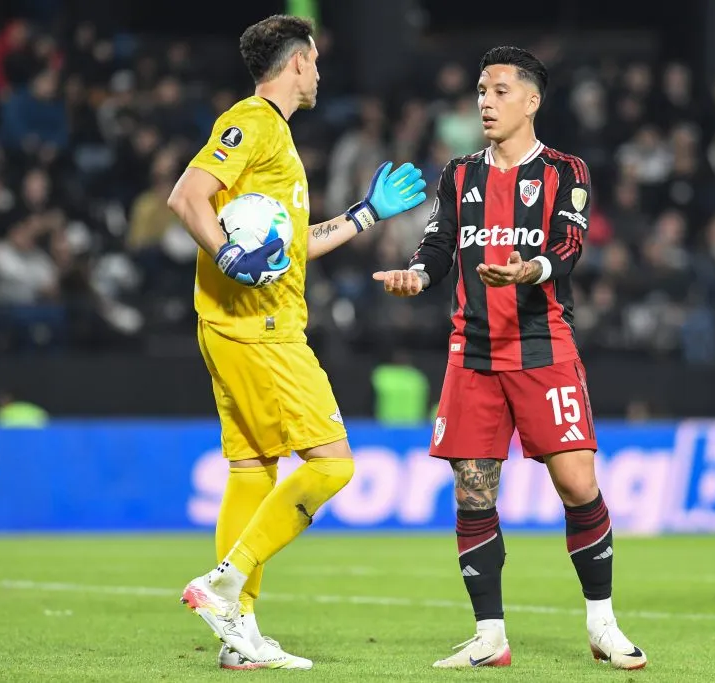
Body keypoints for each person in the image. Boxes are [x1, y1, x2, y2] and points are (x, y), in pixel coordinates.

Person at [373, 46, 647, 670]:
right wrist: (418, 275)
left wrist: (532, 268)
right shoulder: (459, 174)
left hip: (543, 346)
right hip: (470, 353)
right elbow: (440, 243)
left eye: (498, 91)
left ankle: (602, 624)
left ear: (531, 100)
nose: (485, 102)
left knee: (577, 483)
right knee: (473, 493)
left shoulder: (565, 170)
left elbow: (570, 243)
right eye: (480, 91)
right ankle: (490, 636)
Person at [167, 14, 426, 670]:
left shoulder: (273, 137)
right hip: (263, 331)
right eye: (315, 60)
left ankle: (239, 634)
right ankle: (225, 583)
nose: (320, 71)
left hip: (238, 325)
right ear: (299, 63)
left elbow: (290, 250)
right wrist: (227, 254)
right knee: (334, 463)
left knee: (254, 469)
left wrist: (366, 213)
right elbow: (186, 197)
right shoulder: (252, 123)